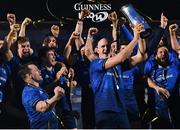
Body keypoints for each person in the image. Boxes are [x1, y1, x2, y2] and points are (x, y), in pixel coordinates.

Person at [86, 23, 144, 128]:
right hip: (105, 110)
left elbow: (141, 57)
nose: (105, 49)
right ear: (96, 50)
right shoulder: (95, 64)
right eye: (102, 46)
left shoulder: (118, 65)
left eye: (107, 46)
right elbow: (121, 57)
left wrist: (141, 37)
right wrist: (135, 38)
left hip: (121, 110)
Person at [144, 42, 180, 128]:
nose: (163, 54)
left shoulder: (175, 67)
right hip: (158, 111)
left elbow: (177, 50)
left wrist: (172, 34)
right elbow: (146, 78)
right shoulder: (152, 71)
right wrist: (156, 87)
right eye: (160, 52)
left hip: (175, 109)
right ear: (156, 56)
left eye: (165, 52)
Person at [19, 63, 65, 129]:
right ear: (29, 75)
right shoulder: (28, 92)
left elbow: (50, 107)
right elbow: (42, 108)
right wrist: (56, 97)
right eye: (37, 70)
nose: (40, 71)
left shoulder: (38, 88)